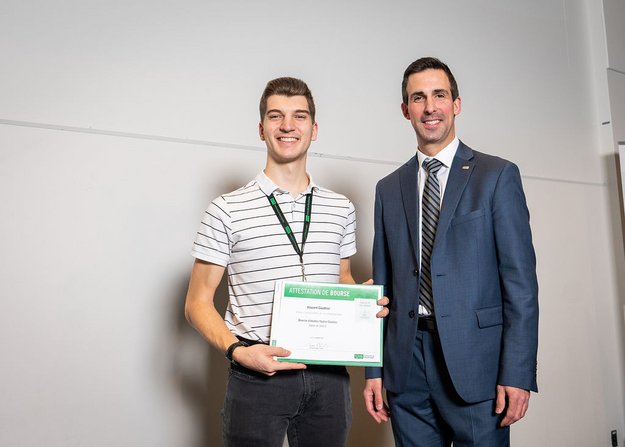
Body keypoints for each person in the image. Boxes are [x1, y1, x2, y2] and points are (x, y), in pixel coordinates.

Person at [185, 76, 387, 447]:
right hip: (258, 375)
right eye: (276, 117)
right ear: (262, 130)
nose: (288, 126)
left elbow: (341, 276)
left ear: (314, 128)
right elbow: (196, 303)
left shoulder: (341, 208)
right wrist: (239, 352)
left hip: (330, 377)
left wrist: (363, 298)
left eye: (299, 116)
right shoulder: (226, 209)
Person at [363, 57, 539, 446]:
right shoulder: (387, 189)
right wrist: (374, 370)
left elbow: (521, 285)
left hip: (477, 365)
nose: (429, 107)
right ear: (405, 109)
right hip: (406, 367)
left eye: (439, 95)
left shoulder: (496, 176)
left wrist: (517, 372)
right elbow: (382, 288)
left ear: (456, 103)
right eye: (418, 98)